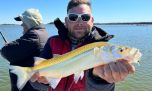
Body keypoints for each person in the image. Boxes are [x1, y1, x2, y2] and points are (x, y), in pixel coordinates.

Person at [32, 0, 135, 91]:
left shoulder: (103, 49)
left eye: (85, 17)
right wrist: (41, 81)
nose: (79, 22)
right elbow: (36, 85)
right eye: (73, 17)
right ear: (66, 22)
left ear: (92, 21)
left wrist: (100, 80)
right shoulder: (52, 42)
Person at [1, 8, 48, 91]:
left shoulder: (34, 35)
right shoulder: (42, 33)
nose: (21, 25)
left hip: (27, 86)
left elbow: (7, 53)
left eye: (23, 22)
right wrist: (12, 45)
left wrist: (7, 47)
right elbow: (25, 48)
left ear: (30, 22)